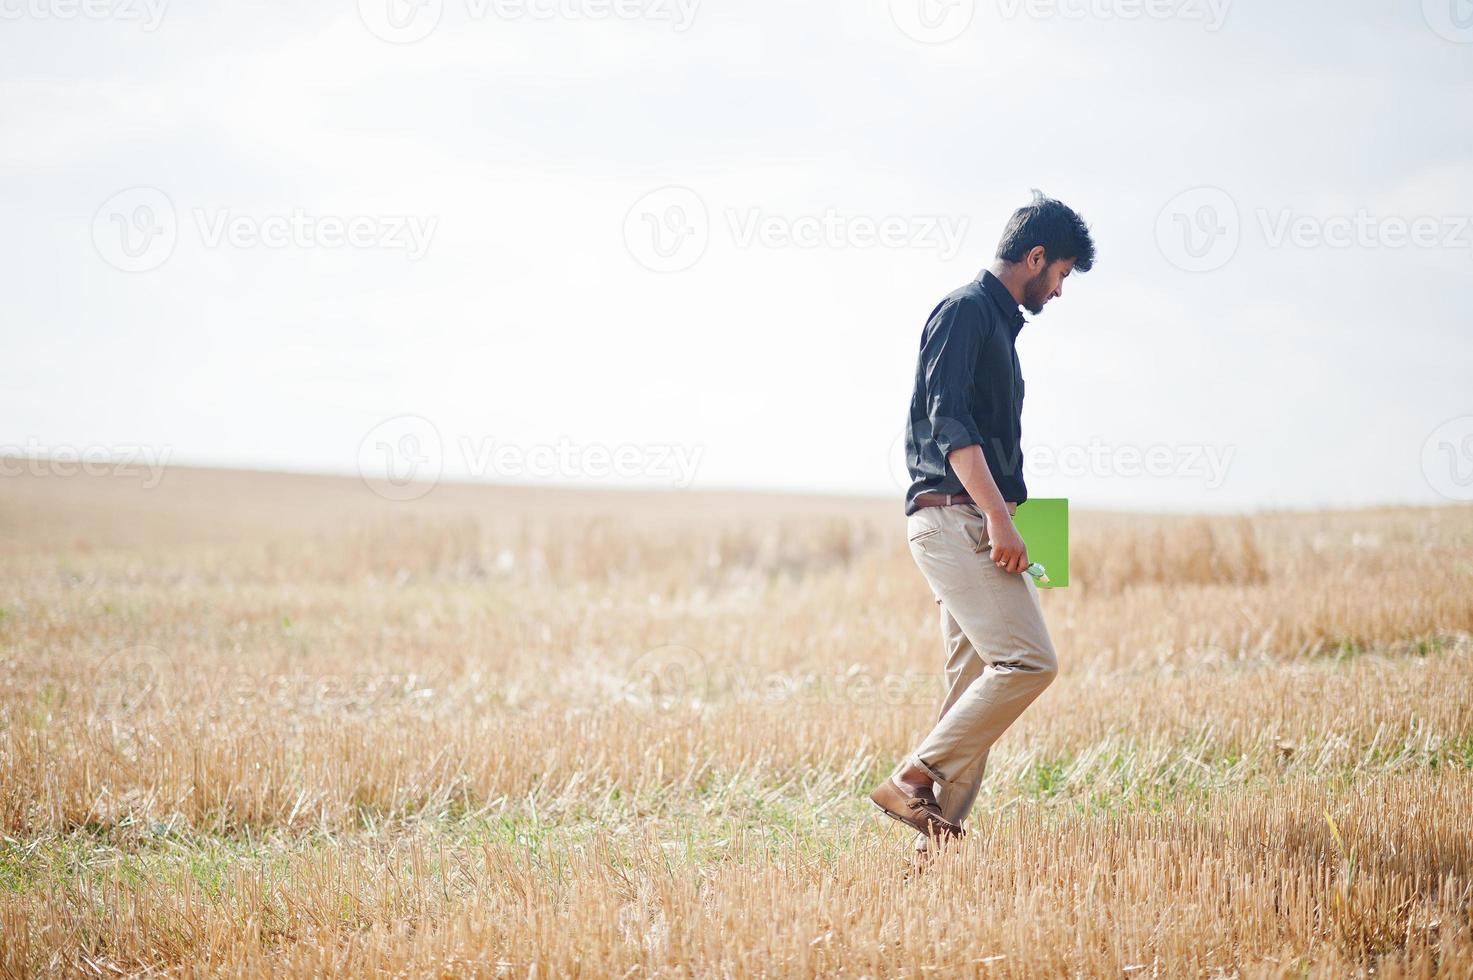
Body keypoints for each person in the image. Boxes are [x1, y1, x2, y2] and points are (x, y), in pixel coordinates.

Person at [867, 190, 1096, 861]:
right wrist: (998, 519)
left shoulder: (997, 326)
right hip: (955, 519)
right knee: (1029, 662)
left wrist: (1015, 517)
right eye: (1059, 275)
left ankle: (935, 846)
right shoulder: (966, 312)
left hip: (972, 519)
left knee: (971, 687)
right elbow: (950, 426)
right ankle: (910, 779)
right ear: (1034, 257)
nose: (1058, 292)